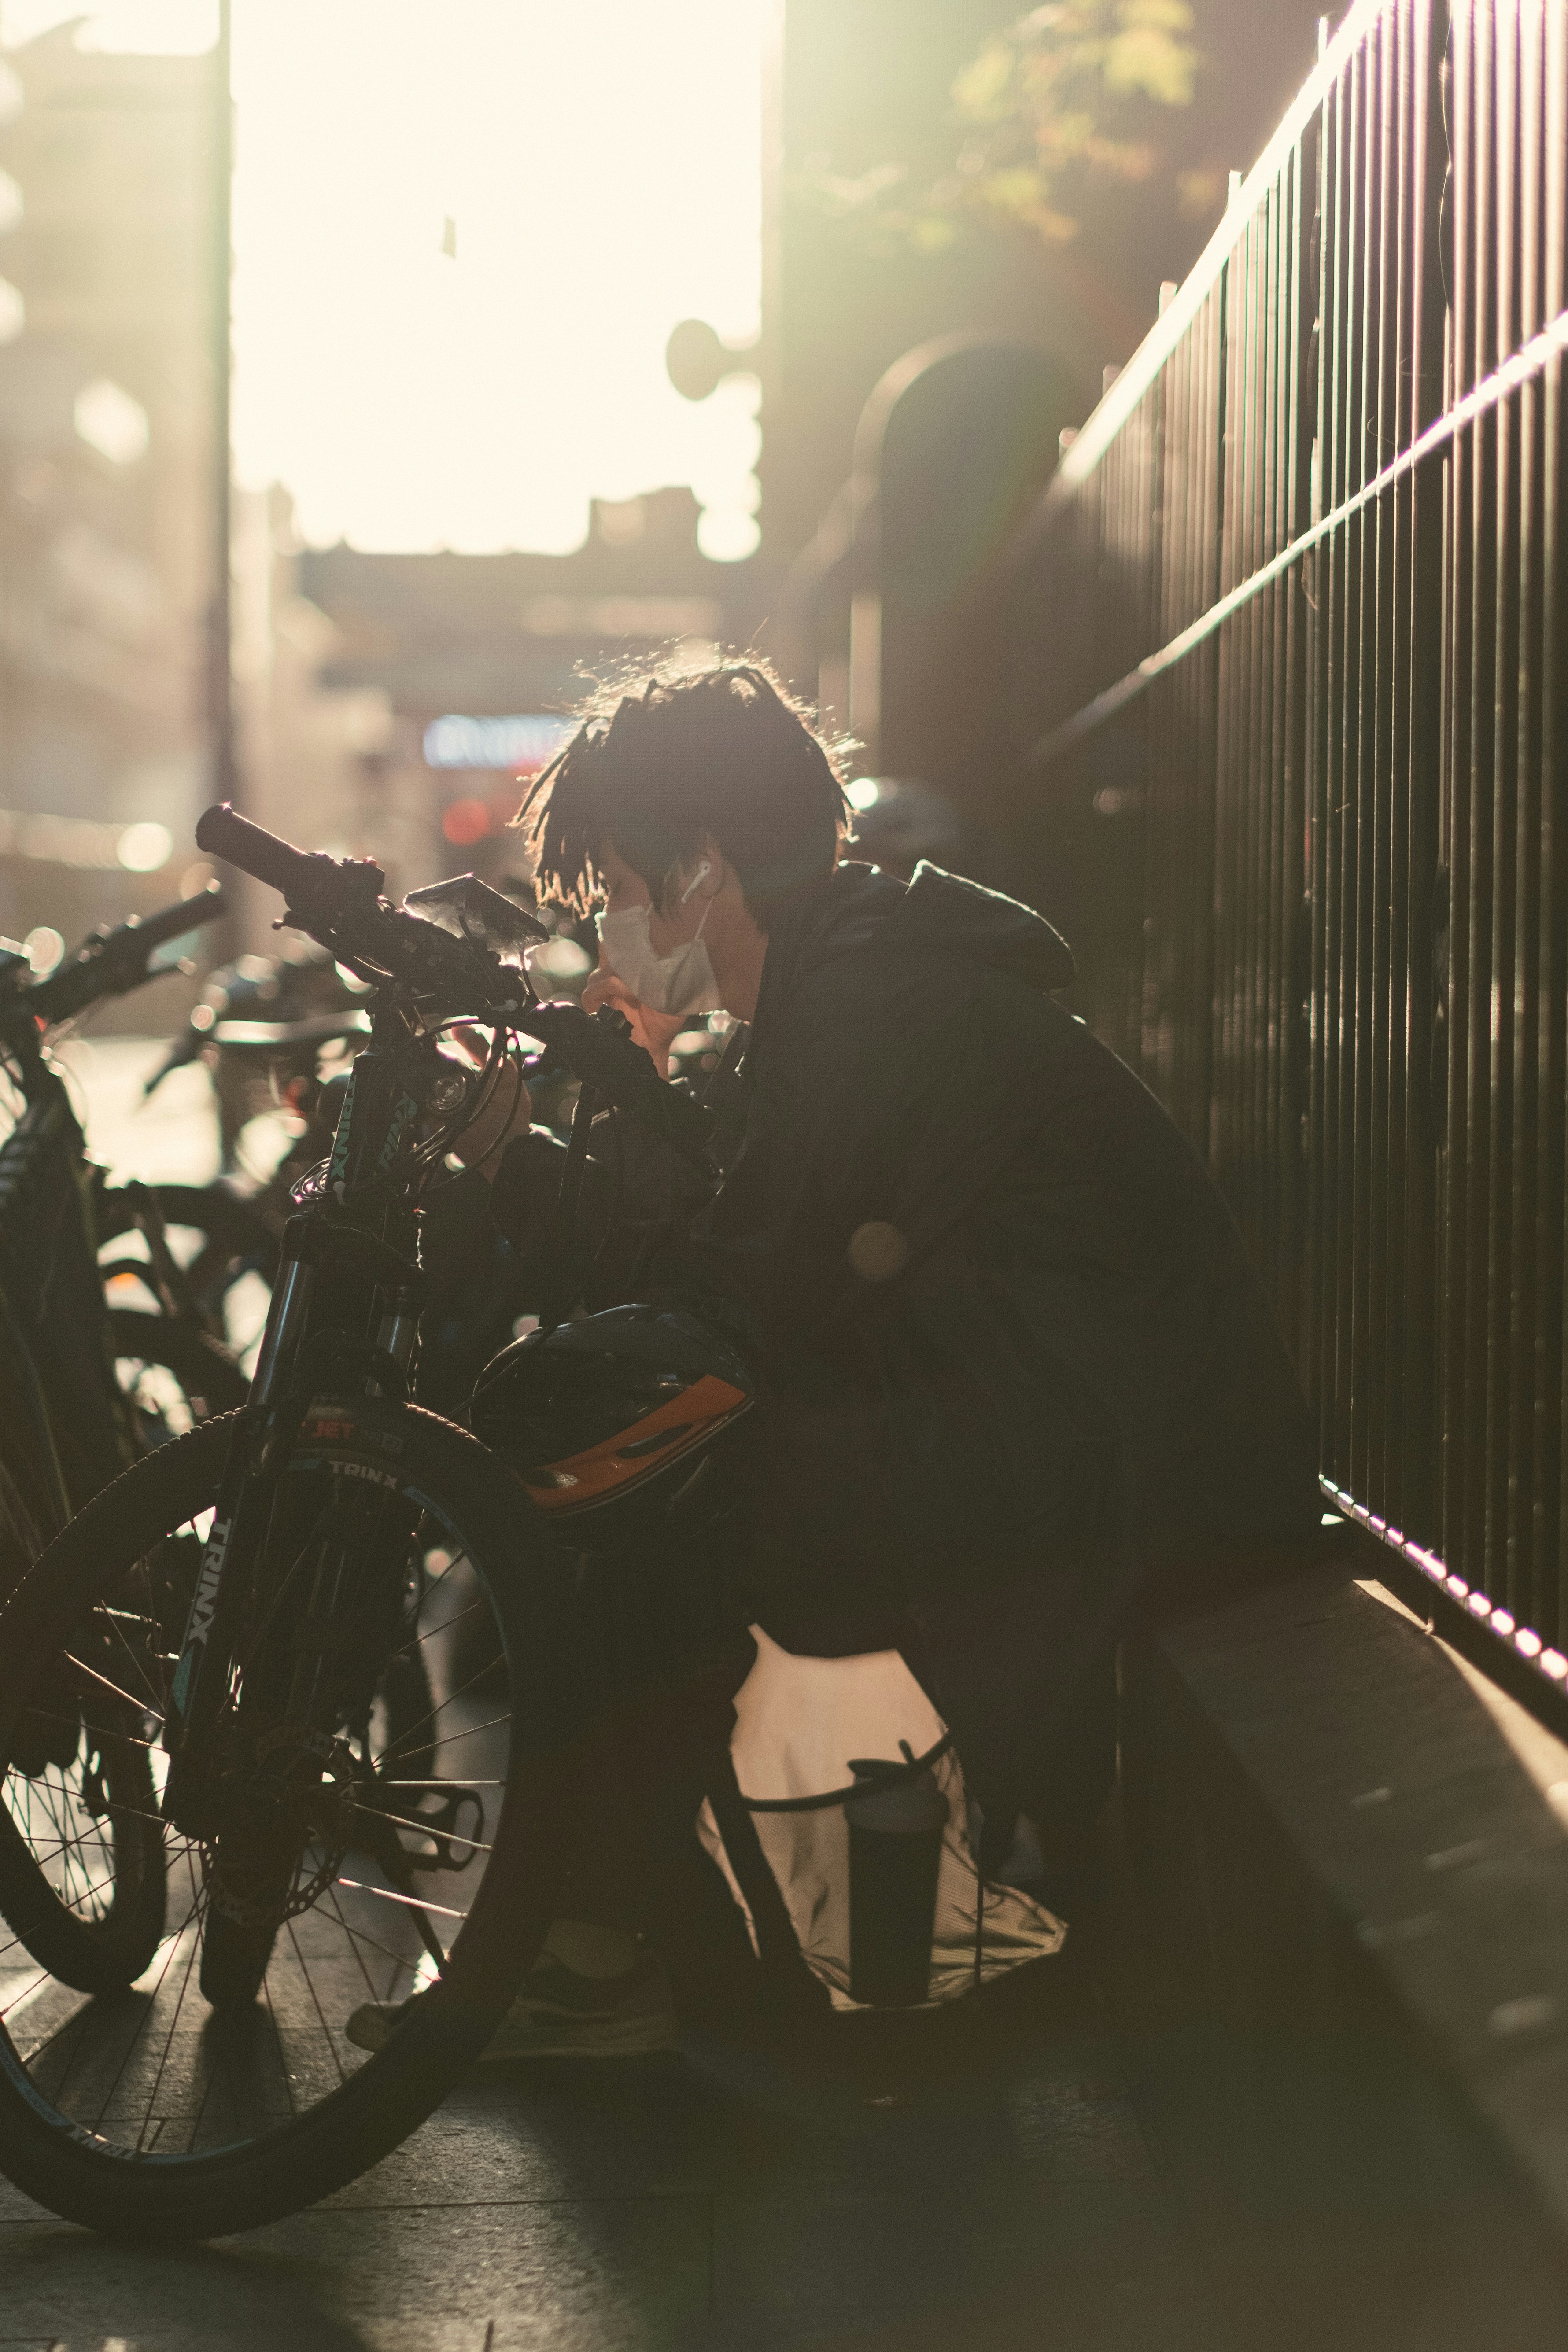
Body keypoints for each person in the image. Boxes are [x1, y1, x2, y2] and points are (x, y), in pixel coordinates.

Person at [347, 657, 1323, 2061]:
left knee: (664, 1518)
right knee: (660, 1497)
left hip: (1101, 1485)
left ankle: (601, 1956)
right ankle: (609, 1943)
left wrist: (515, 1171)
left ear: (702, 867)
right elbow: (742, 1243)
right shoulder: (851, 983)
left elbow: (740, 1289)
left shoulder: (877, 1009)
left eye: (620, 880)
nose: (611, 921)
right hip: (1052, 1437)